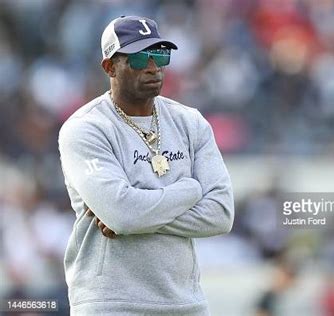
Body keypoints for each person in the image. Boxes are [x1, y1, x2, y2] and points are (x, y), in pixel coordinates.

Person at [58, 15, 234, 316]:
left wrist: (136, 212)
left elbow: (220, 214)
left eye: (160, 54)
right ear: (110, 67)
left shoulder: (190, 122)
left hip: (185, 303)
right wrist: (190, 190)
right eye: (140, 58)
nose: (153, 67)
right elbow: (123, 214)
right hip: (110, 303)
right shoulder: (86, 128)